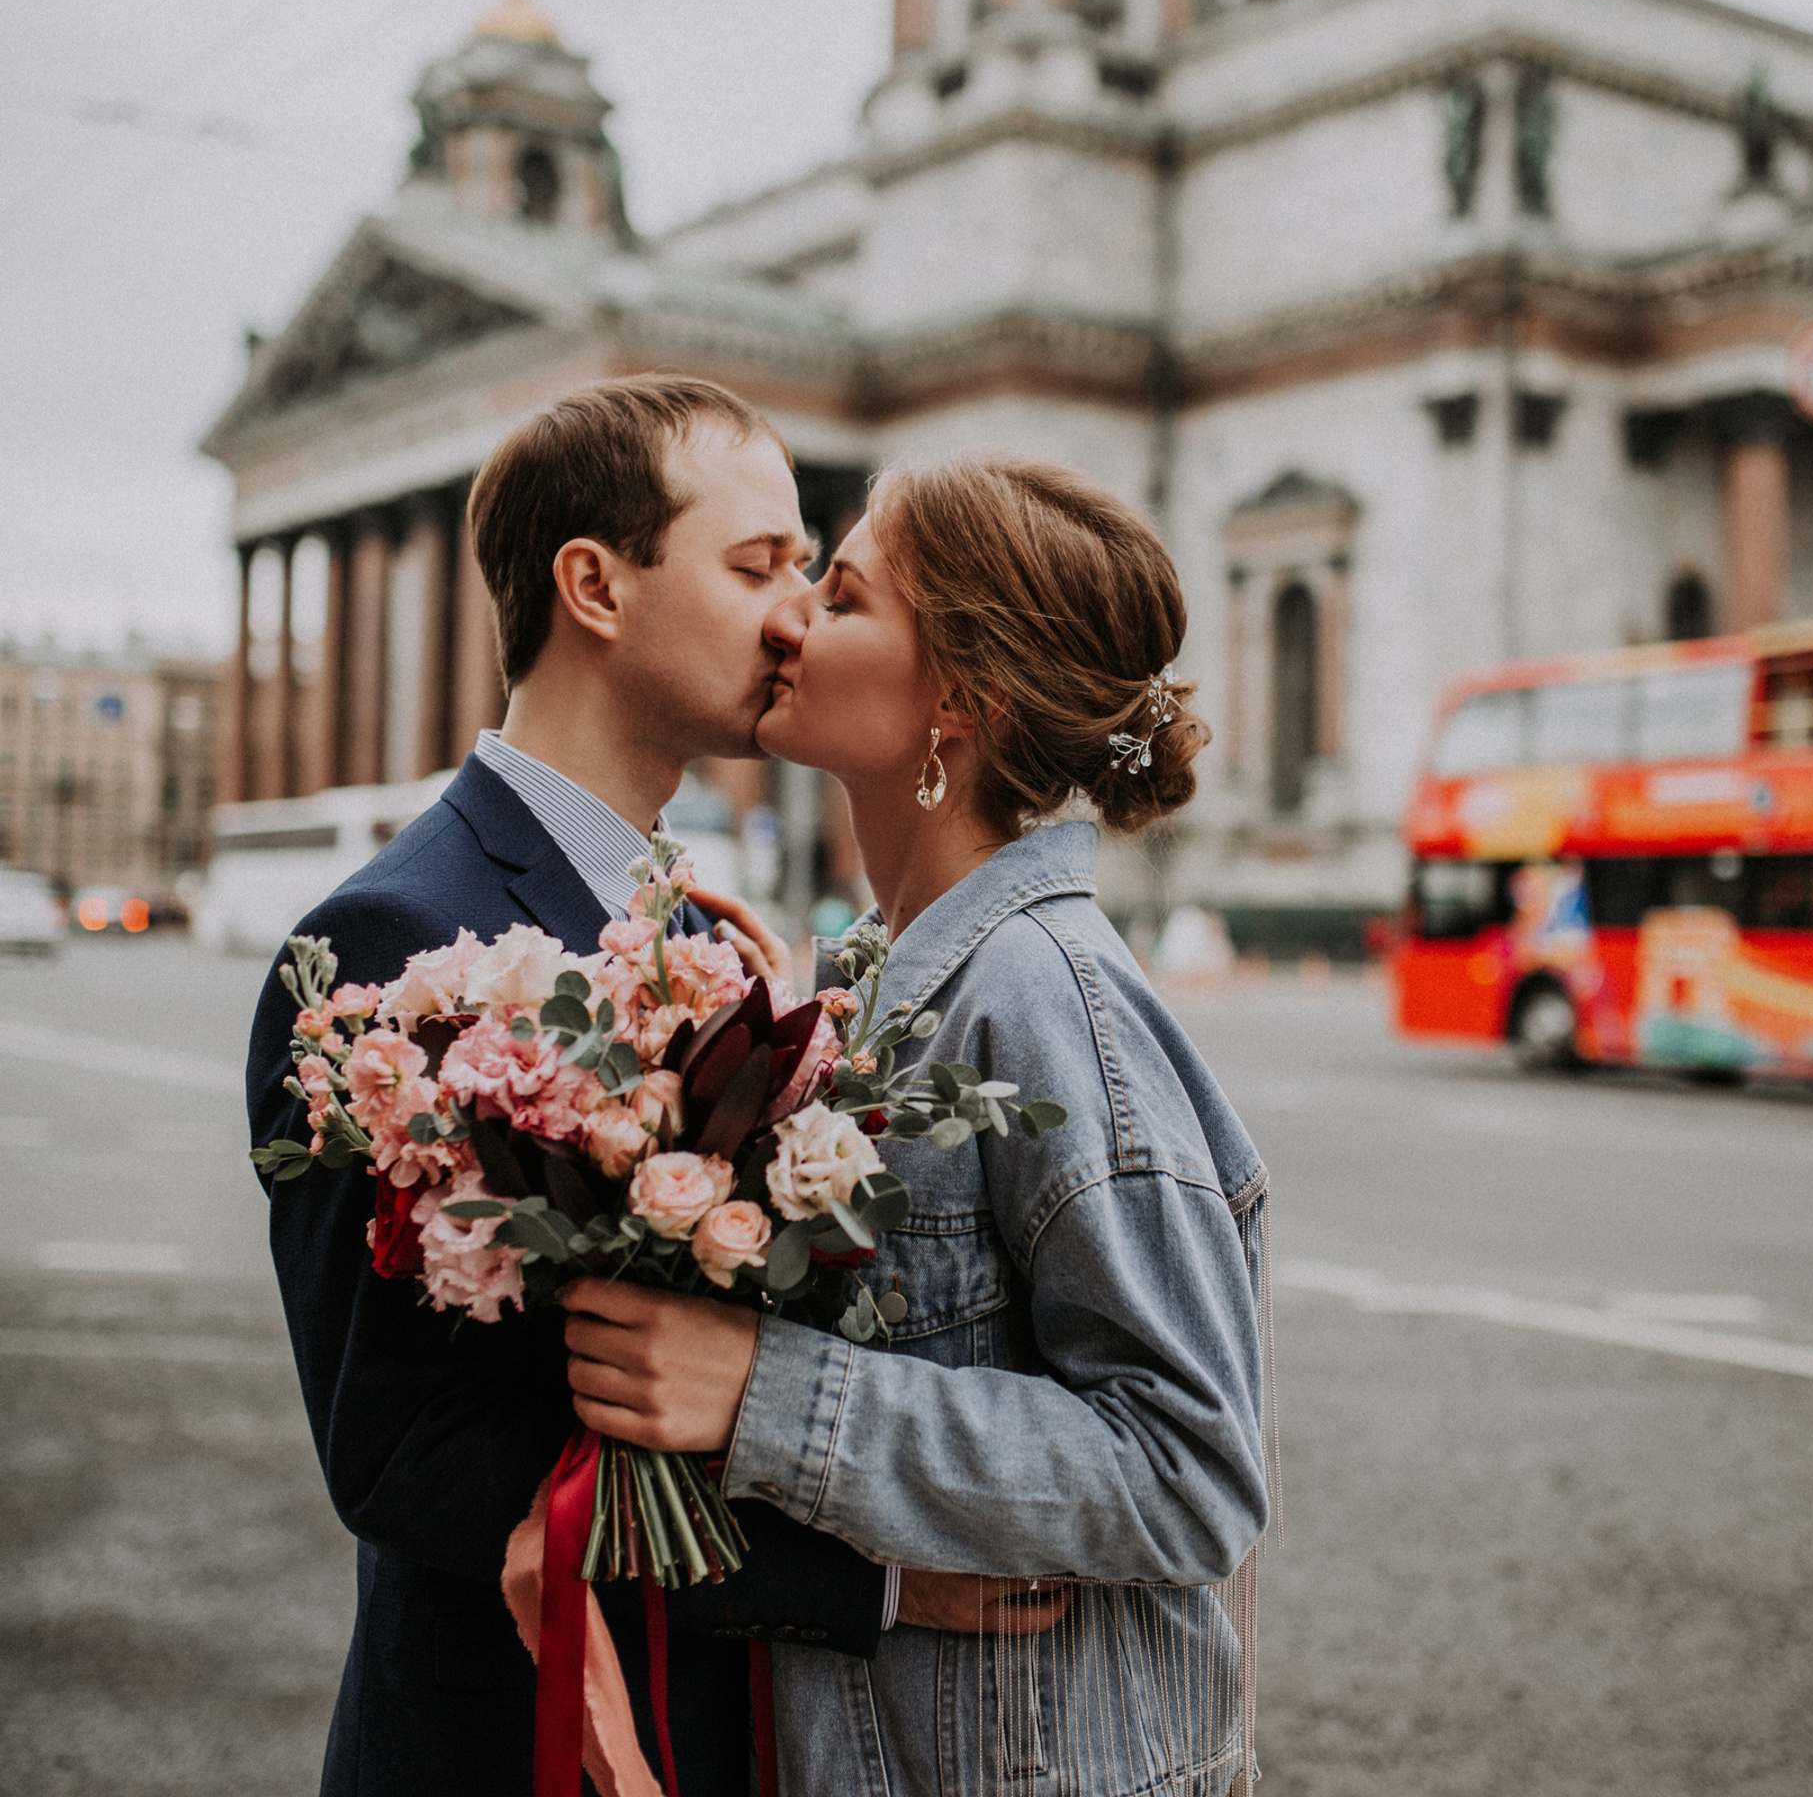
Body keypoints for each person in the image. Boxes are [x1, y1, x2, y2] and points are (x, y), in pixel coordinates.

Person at [245, 379, 1020, 1797]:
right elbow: (404, 1450)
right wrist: (867, 1581)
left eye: (805, 571)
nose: (797, 616)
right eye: (757, 568)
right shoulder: (387, 942)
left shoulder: (707, 935)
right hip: (503, 1743)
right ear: (594, 586)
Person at [559, 454, 1274, 1794]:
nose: (788, 622)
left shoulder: (1046, 997)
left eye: (841, 598)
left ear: (961, 698)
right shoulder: (884, 982)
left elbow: (1191, 1471)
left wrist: (763, 1393)